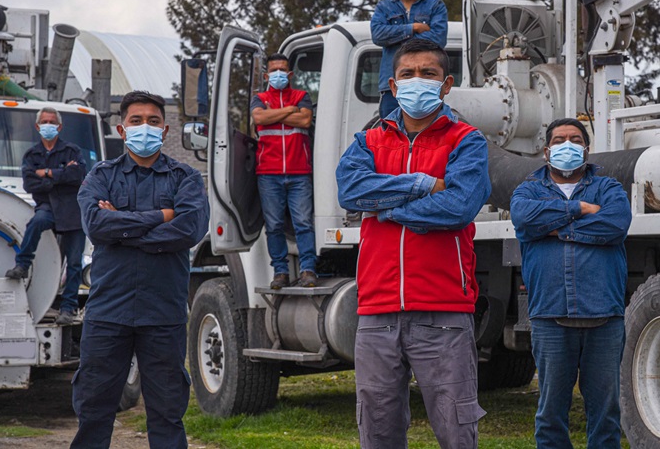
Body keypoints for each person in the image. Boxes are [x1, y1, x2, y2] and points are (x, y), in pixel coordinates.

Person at [336, 39, 490, 448]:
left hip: (443, 311)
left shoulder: (466, 140)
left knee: (456, 430)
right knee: (378, 429)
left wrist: (388, 211)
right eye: (408, 74)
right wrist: (422, 185)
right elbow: (350, 191)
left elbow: (459, 206)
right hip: (377, 311)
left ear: (447, 84)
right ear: (392, 83)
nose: (417, 81)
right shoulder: (369, 140)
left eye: (429, 73)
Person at [72, 90, 209, 449]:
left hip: (163, 313)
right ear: (122, 129)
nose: (144, 127)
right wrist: (162, 217)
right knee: (94, 410)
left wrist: (123, 226)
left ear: (165, 131)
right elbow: (97, 226)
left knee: (167, 413)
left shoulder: (187, 179)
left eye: (153, 121)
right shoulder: (101, 176)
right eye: (136, 121)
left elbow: (190, 230)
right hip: (108, 312)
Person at [509, 118, 632, 449]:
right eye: (560, 139)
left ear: (586, 150)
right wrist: (578, 208)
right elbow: (524, 218)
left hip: (604, 315)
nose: (568, 145)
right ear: (547, 150)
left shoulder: (608, 189)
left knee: (606, 412)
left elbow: (615, 225)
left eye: (575, 139)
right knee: (551, 414)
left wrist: (556, 229)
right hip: (550, 316)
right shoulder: (529, 190)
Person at [4, 107, 86, 325]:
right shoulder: (32, 155)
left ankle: (68, 308)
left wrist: (47, 174)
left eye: (52, 122)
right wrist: (61, 176)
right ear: (37, 126)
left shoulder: (72, 151)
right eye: (44, 121)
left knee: (75, 263)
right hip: (47, 206)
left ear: (59, 127)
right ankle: (23, 264)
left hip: (73, 211)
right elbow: (30, 183)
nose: (48, 125)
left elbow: (78, 175)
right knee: (37, 222)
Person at [252, 53, 318, 289]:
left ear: (290, 74)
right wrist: (291, 111)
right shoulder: (259, 99)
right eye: (274, 70)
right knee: (274, 226)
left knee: (303, 223)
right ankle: (280, 272)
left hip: (299, 171)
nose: (279, 74)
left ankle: (308, 269)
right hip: (268, 174)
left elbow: (305, 121)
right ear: (266, 75)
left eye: (283, 70)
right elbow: (259, 117)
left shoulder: (302, 96)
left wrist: (276, 115)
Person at [371, 0, 448, 122]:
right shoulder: (384, 7)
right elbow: (377, 35)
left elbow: (438, 40)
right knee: (391, 138)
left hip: (428, 87)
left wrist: (395, 37)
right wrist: (414, 28)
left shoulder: (436, 6)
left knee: (429, 137)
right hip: (393, 87)